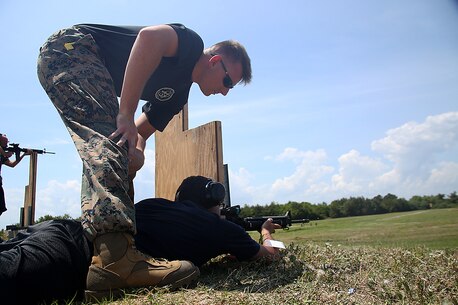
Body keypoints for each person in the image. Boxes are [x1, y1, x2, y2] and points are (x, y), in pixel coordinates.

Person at [36, 23, 252, 299]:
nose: (225, 92)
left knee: (121, 147)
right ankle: (116, 261)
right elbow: (149, 38)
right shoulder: (190, 45)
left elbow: (139, 133)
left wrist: (135, 154)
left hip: (75, 59)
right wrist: (125, 113)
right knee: (111, 139)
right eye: (228, 82)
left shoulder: (178, 96)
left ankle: (112, 252)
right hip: (72, 48)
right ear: (215, 61)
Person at [0, 176, 281, 305]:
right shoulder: (219, 229)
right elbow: (269, 256)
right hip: (73, 257)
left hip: (59, 230)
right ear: (213, 201)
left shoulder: (152, 204)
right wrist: (265, 232)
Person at [0, 134, 31, 216]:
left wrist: (23, 154)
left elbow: (12, 164)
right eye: (5, 143)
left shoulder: (2, 155)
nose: (6, 145)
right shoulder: (2, 153)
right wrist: (5, 154)